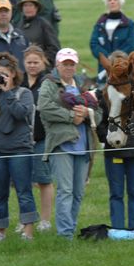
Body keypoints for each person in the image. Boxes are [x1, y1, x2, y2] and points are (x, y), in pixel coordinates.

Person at [38, 48, 101, 239]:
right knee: (65, 190)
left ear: (76, 65)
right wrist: (71, 116)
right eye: (64, 64)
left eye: (71, 64)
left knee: (78, 192)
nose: (68, 67)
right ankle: (65, 234)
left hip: (84, 146)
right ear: (57, 65)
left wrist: (87, 114)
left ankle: (71, 229)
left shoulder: (84, 86)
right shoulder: (50, 84)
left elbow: (98, 113)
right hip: (62, 145)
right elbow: (45, 108)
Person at [0, 52, 39, 241]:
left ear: (13, 74)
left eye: (4, 74)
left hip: (20, 149)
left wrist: (8, 92)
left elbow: (21, 114)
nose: (0, 78)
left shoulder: (24, 93)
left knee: (24, 191)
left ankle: (28, 230)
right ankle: (0, 231)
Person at [97, 51, 134, 230]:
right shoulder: (106, 94)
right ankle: (117, 229)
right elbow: (101, 122)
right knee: (116, 193)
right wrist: (107, 138)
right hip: (113, 152)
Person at [20, 46, 54, 232]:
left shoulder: (48, 80)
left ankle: (45, 220)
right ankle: (25, 220)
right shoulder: (19, 81)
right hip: (21, 140)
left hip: (42, 138)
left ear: (43, 63)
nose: (32, 66)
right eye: (29, 62)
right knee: (22, 182)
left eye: (36, 62)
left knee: (43, 180)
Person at [89, 0, 134, 81]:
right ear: (106, 3)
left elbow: (132, 44)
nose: (112, 2)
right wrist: (106, 57)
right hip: (103, 70)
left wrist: (116, 58)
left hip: (123, 69)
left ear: (120, 2)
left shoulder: (129, 24)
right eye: (109, 0)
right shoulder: (99, 24)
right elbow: (93, 44)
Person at [14, 0, 60, 67]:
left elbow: (54, 47)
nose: (28, 8)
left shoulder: (43, 24)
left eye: (31, 5)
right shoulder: (17, 26)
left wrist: (43, 61)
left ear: (36, 8)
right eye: (25, 5)